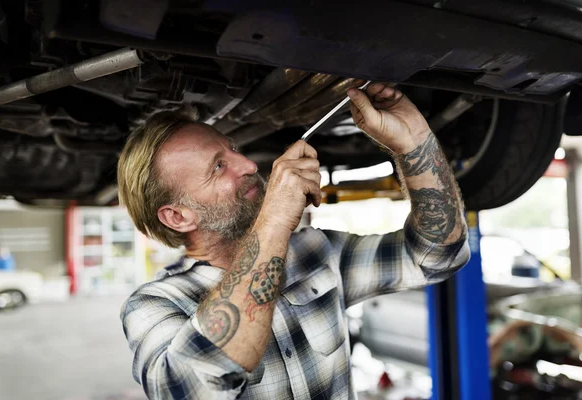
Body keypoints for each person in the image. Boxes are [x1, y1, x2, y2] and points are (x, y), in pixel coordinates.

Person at [117, 83, 470, 399]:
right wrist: (273, 221)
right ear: (178, 216)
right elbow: (191, 388)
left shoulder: (314, 251)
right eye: (218, 167)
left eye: (234, 149)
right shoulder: (154, 305)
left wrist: (414, 142)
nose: (248, 165)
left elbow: (438, 255)